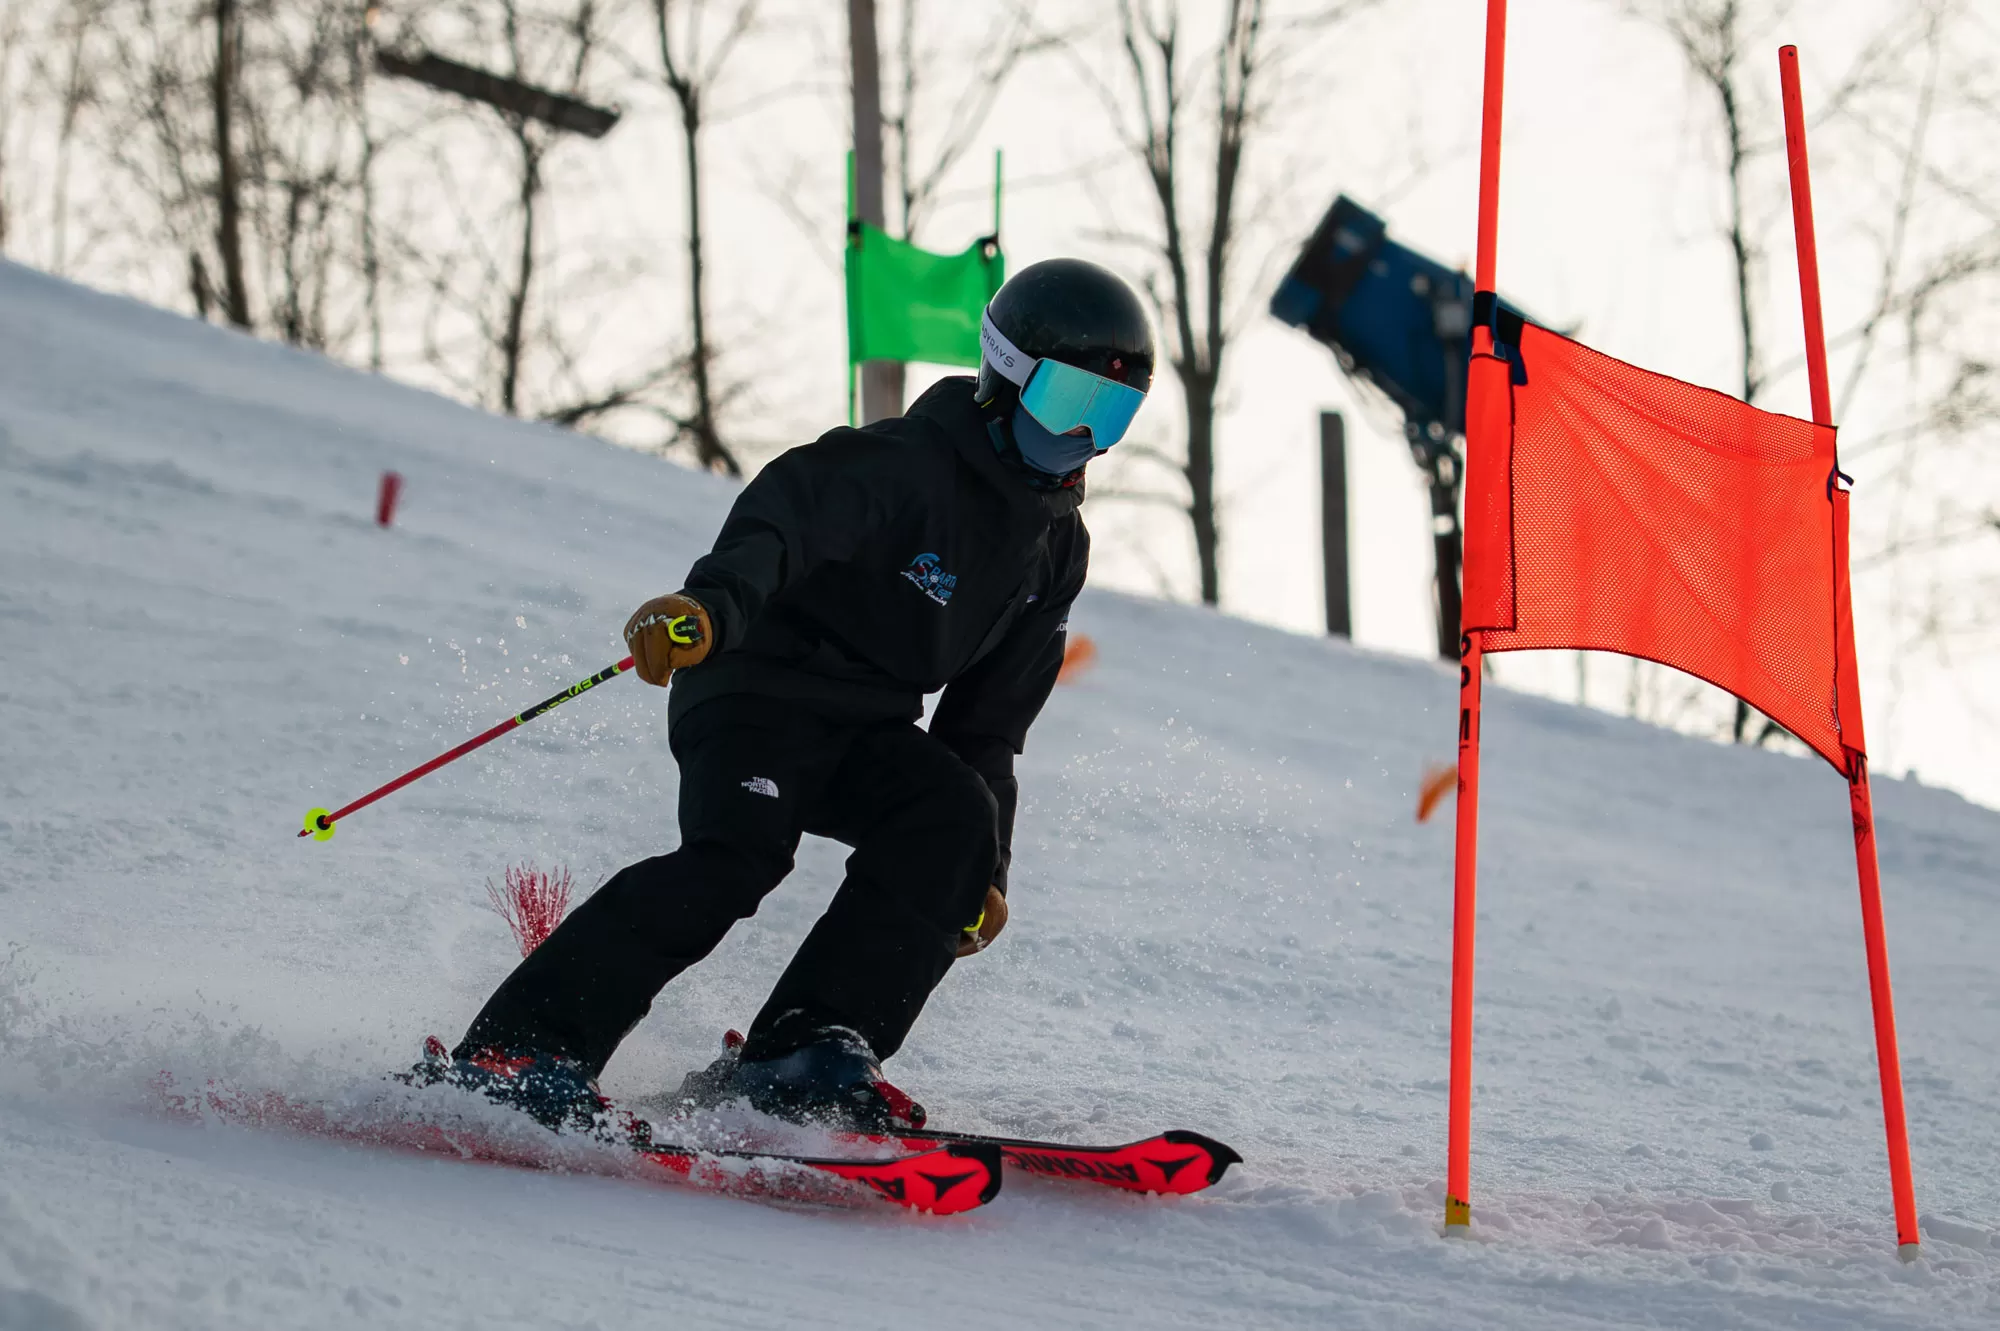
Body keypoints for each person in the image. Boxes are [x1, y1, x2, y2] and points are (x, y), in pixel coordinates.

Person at [432, 258, 1154, 1135]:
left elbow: (989, 724)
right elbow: (786, 520)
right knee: (738, 857)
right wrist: (710, 607)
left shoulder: (1056, 547)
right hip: (755, 690)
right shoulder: (901, 464)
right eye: (1070, 400)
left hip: (867, 725)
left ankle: (803, 1051)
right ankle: (518, 1047)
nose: (1085, 434)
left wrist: (982, 868)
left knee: (955, 818)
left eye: (1113, 413)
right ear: (1006, 374)